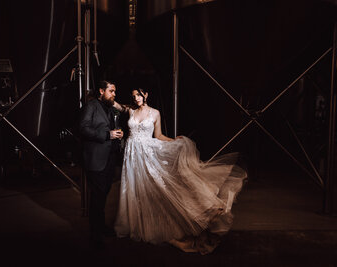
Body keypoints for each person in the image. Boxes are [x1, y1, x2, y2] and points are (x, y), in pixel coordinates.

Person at [112, 88, 247, 255]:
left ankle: (201, 211)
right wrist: (98, 94)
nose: (136, 98)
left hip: (148, 153)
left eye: (139, 95)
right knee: (137, 189)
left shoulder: (155, 113)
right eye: (133, 96)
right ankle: (141, 222)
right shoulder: (130, 110)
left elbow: (159, 135)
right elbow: (114, 104)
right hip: (132, 155)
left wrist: (174, 141)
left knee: (160, 189)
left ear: (145, 95)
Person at [79, 80, 123, 248]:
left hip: (110, 158)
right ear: (101, 91)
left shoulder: (110, 108)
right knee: (97, 197)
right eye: (111, 91)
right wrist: (107, 135)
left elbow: (113, 126)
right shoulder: (92, 106)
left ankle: (101, 226)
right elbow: (83, 128)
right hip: (96, 159)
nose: (114, 94)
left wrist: (118, 133)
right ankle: (95, 235)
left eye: (114, 91)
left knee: (103, 194)